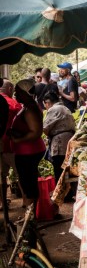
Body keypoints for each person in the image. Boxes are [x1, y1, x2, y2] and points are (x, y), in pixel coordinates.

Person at [9, 80, 47, 212]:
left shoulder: (30, 109)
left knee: (29, 184)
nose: (15, 94)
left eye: (18, 91)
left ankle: (31, 216)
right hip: (26, 152)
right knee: (28, 183)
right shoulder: (27, 106)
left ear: (26, 93)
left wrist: (18, 139)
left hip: (29, 152)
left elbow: (36, 132)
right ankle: (31, 214)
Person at [41, 90, 75, 178]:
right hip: (69, 141)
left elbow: (45, 128)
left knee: (59, 171)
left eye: (45, 105)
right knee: (68, 171)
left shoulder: (53, 109)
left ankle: (60, 186)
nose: (45, 107)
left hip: (60, 144)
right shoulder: (65, 108)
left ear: (47, 102)